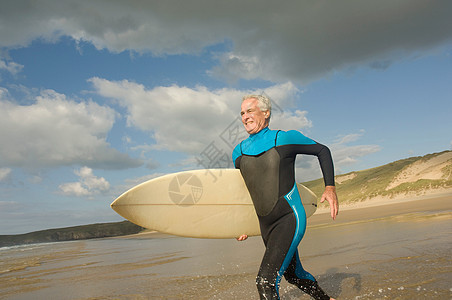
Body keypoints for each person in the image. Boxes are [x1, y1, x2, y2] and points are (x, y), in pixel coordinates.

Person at [232, 94, 339, 300]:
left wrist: (330, 188)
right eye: (242, 113)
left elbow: (322, 150)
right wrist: (239, 224)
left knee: (265, 281)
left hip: (288, 218)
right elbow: (245, 191)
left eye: (250, 111)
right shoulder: (238, 152)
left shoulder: (284, 138)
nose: (245, 117)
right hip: (266, 226)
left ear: (266, 113)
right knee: (293, 275)